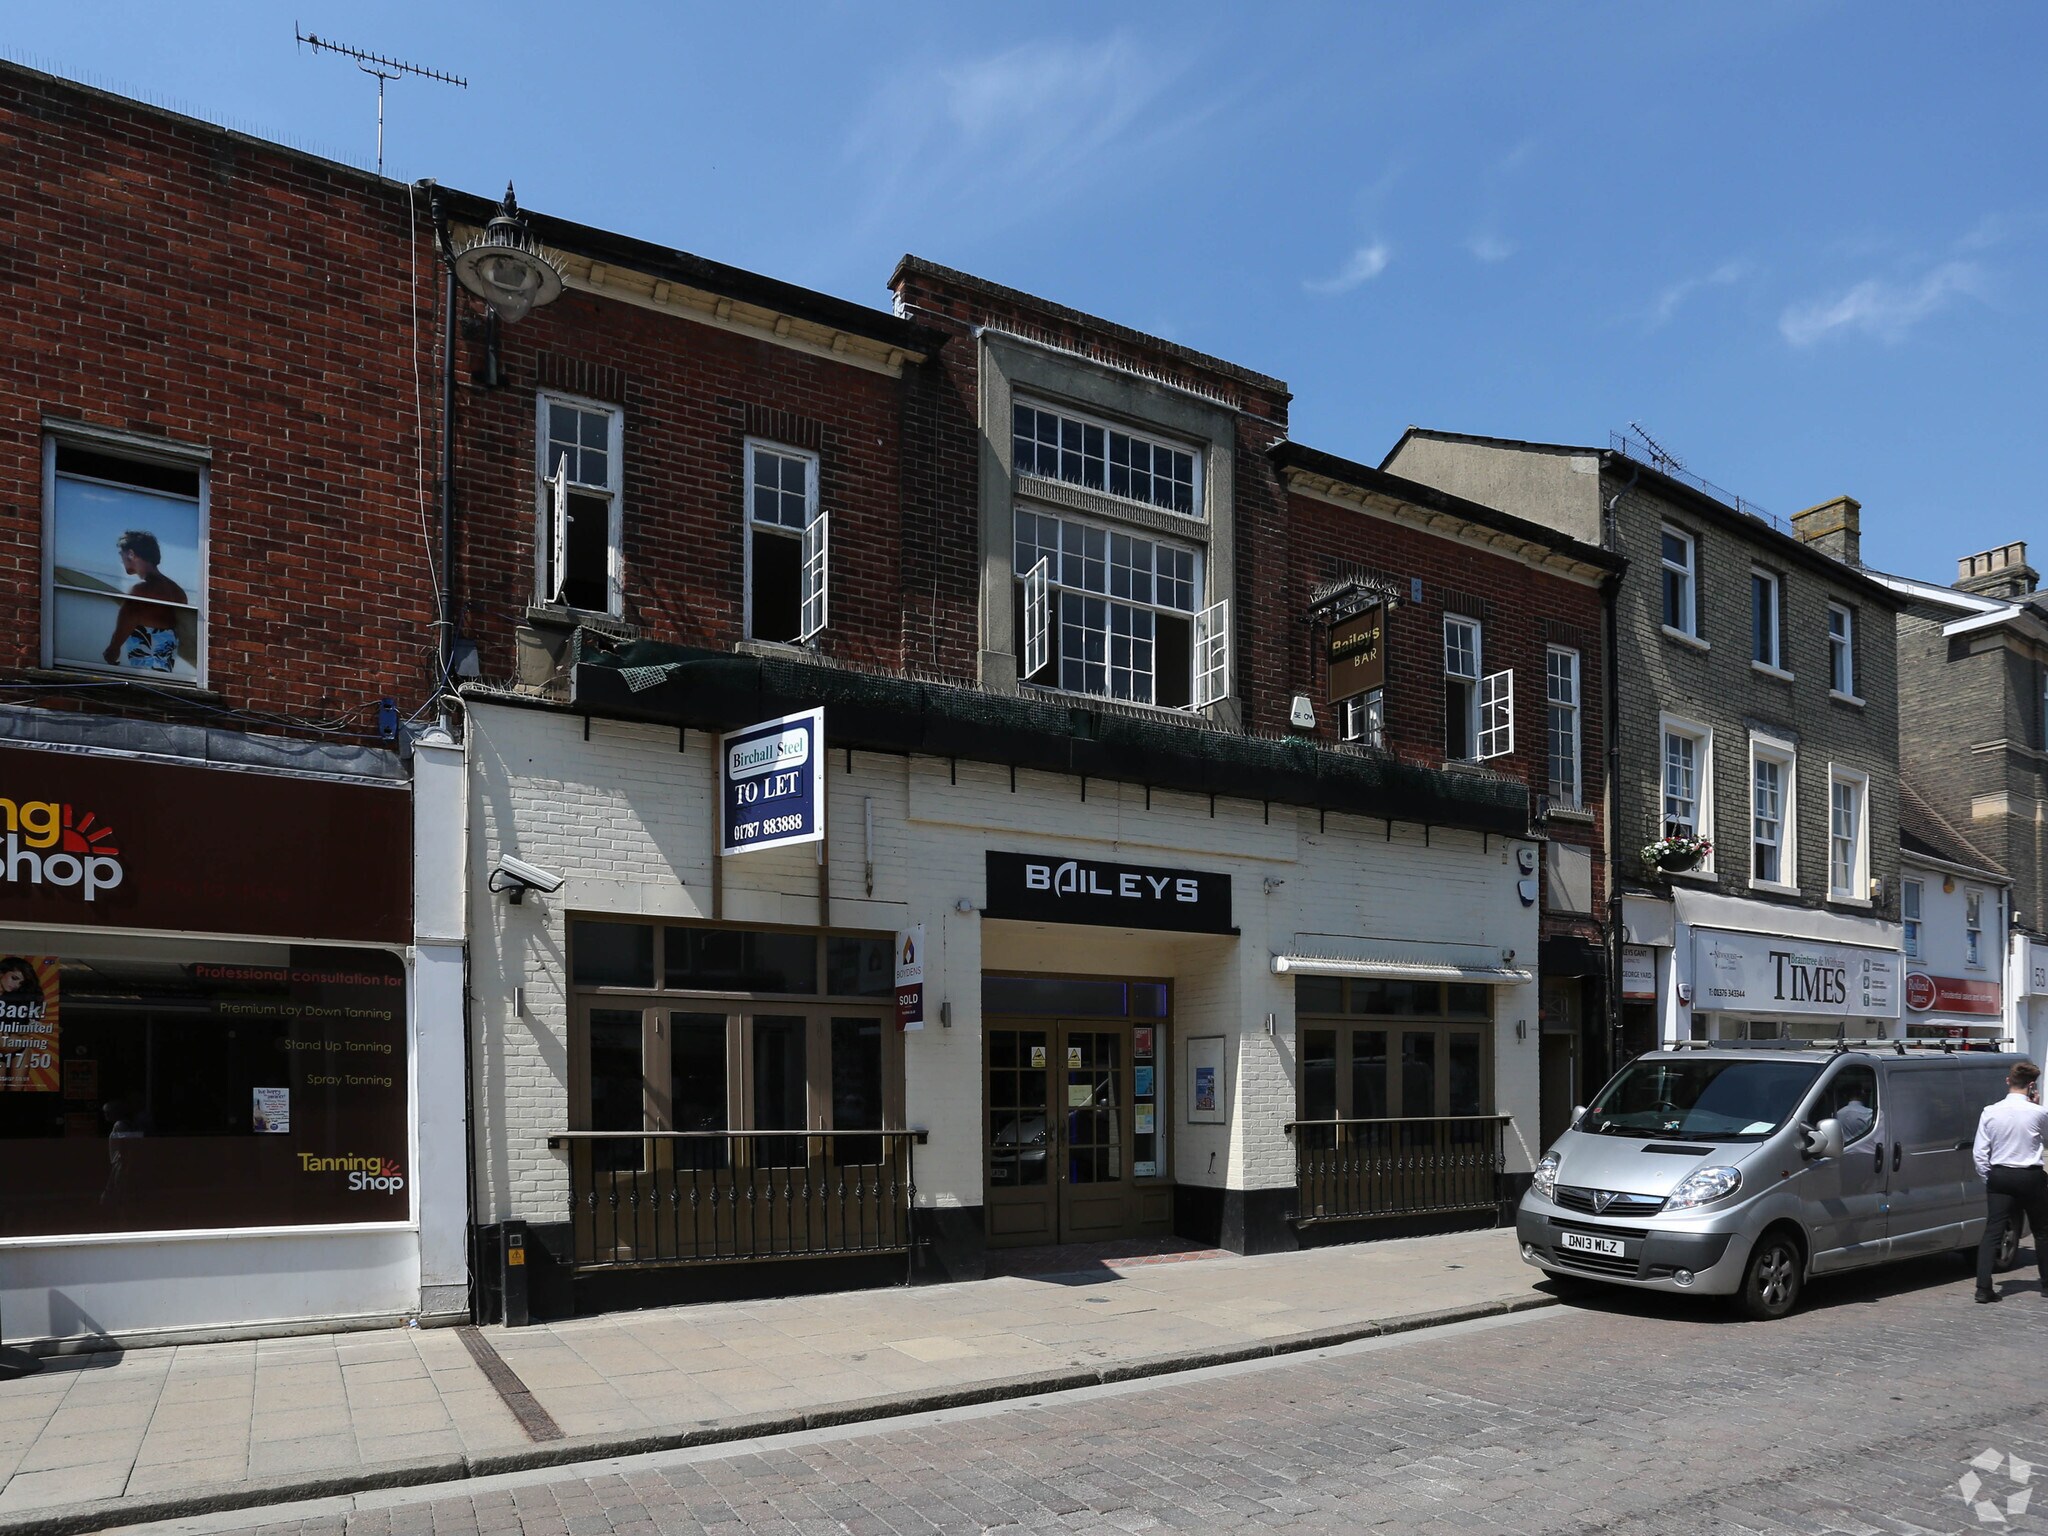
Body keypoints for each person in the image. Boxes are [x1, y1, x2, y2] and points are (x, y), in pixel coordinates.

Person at [1972, 1060, 2048, 1302]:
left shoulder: (1990, 1111)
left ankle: (1983, 1288)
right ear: (2032, 1085)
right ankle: (2046, 1284)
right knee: (2042, 1232)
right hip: (2030, 1175)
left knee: (1992, 1231)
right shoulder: (2039, 1112)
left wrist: (1989, 1176)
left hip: (2000, 1175)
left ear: (2008, 1082)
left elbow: (1979, 1152)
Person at [101, 531, 187, 672]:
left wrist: (113, 649)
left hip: (145, 673)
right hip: (165, 673)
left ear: (130, 554)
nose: (121, 560)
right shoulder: (178, 592)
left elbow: (125, 623)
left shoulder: (141, 590)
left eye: (120, 555)